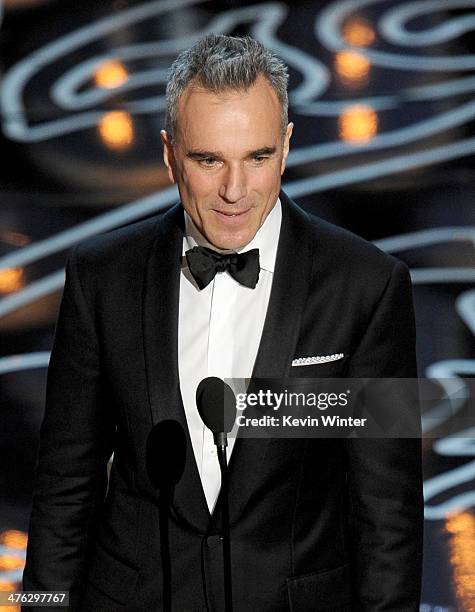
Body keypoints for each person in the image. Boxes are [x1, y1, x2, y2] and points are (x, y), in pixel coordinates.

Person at [22, 35, 423, 611]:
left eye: (257, 158)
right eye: (208, 160)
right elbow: (65, 488)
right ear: (169, 155)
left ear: (285, 147)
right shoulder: (101, 278)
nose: (235, 192)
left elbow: (389, 512)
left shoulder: (369, 285)